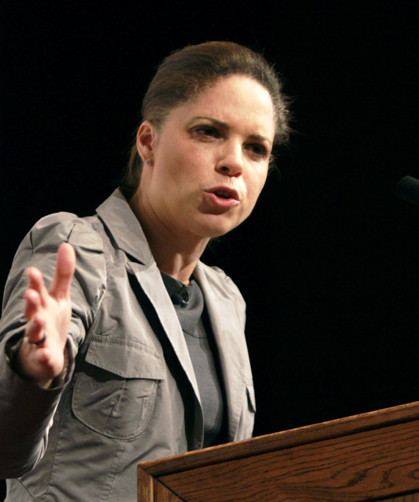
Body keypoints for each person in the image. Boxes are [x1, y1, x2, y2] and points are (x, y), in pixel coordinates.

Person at [0, 41, 291, 501]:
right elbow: (5, 451)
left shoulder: (228, 300)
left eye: (256, 148)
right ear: (148, 142)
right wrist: (33, 374)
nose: (235, 162)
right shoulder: (77, 248)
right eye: (209, 132)